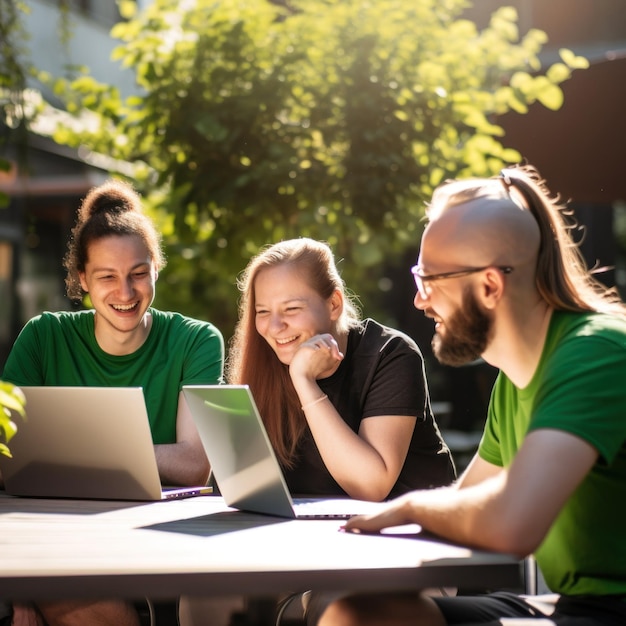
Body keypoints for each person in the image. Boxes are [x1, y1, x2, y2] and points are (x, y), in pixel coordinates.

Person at [317, 163, 626, 626]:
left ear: (489, 285)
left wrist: (410, 506)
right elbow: (471, 502)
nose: (420, 301)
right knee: (358, 614)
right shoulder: (514, 379)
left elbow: (511, 521)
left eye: (428, 280)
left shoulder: (595, 354)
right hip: (574, 606)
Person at [178, 237, 455, 626]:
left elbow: (369, 484)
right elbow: (242, 490)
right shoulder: (265, 367)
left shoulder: (391, 355)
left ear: (334, 304)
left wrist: (305, 383)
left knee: (337, 603)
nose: (275, 328)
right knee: (205, 596)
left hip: (402, 550)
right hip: (305, 549)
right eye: (262, 312)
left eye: (291, 309)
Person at [1, 179, 224, 626]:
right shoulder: (43, 338)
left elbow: (195, 464)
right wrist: (17, 583)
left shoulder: (196, 341)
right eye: (106, 276)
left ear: (156, 269)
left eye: (138, 273)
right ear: (82, 279)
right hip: (46, 538)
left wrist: (63, 457)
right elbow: (6, 456)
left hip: (148, 540)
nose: (125, 292)